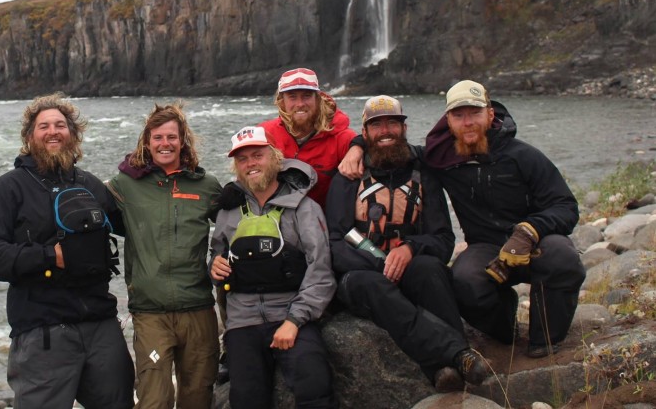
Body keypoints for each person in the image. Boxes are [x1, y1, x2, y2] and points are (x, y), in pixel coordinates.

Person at [0, 93, 134, 409]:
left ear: (72, 133)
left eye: (60, 125)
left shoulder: (90, 185)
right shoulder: (9, 188)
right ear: (30, 136)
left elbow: (133, 223)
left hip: (100, 325)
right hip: (42, 331)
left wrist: (147, 169)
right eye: (44, 126)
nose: (53, 131)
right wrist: (49, 257)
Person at [326, 95, 487, 391]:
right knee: (374, 286)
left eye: (392, 123)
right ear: (364, 133)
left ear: (404, 128)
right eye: (376, 125)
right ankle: (457, 354)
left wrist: (410, 247)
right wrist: (379, 263)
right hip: (360, 276)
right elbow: (334, 243)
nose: (385, 131)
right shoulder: (348, 177)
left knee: (429, 270)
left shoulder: (424, 174)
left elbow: (443, 239)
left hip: (408, 266)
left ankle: (445, 371)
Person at [422, 80, 586, 358]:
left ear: (490, 114)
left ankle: (544, 338)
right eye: (458, 115)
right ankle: (505, 327)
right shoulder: (441, 160)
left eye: (474, 113)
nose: (468, 122)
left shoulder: (524, 156)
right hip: (486, 249)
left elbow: (566, 206)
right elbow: (392, 150)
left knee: (563, 258)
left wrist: (530, 230)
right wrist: (355, 146)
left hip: (536, 243)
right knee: (463, 281)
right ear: (448, 121)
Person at [105, 103, 222, 409]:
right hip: (150, 311)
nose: (165, 143)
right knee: (153, 400)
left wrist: (220, 258)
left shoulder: (206, 185)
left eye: (171, 136)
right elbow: (88, 211)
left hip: (198, 307)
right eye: (157, 137)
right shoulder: (125, 184)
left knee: (197, 398)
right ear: (147, 142)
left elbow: (231, 227)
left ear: (183, 141)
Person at [210, 126, 335, 409]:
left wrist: (294, 321)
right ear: (236, 167)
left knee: (315, 384)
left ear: (276, 158)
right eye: (242, 159)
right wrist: (213, 266)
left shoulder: (303, 208)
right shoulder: (228, 211)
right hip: (243, 322)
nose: (250, 164)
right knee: (246, 399)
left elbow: (321, 270)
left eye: (258, 155)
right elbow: (217, 254)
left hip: (292, 316)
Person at [259, 67, 356, 211]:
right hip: (275, 223)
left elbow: (374, 150)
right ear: (281, 101)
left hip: (325, 225)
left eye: (306, 96)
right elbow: (245, 166)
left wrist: (358, 147)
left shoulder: (341, 137)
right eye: (292, 96)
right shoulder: (265, 134)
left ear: (318, 99)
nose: (300, 103)